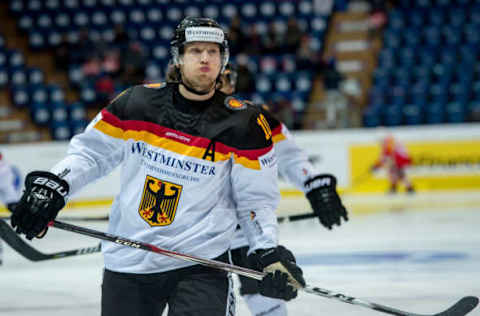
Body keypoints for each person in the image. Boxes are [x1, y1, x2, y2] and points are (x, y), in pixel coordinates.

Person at [9, 17, 305, 316]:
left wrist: (267, 251)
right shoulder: (136, 102)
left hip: (201, 265)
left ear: (223, 59)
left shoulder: (246, 124)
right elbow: (90, 154)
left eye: (213, 51)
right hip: (128, 261)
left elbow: (256, 201)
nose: (205, 58)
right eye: (195, 50)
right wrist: (56, 185)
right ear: (178, 57)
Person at [220, 65, 348, 316]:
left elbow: (289, 156)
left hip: (245, 230)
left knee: (265, 293)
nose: (224, 84)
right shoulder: (177, 117)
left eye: (227, 78)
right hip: (197, 233)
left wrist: (313, 186)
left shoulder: (253, 116)